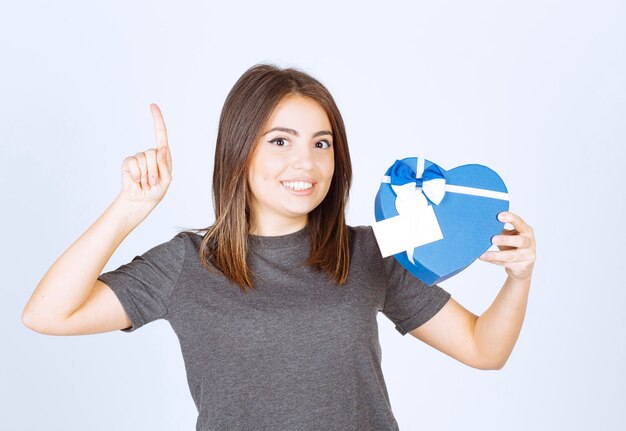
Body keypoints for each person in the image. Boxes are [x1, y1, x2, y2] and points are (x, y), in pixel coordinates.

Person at [22, 63, 536, 431]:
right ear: (240, 151)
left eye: (321, 143)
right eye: (280, 141)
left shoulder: (370, 250)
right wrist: (129, 209)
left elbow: (482, 349)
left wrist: (518, 277)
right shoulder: (187, 263)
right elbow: (47, 314)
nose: (306, 164)